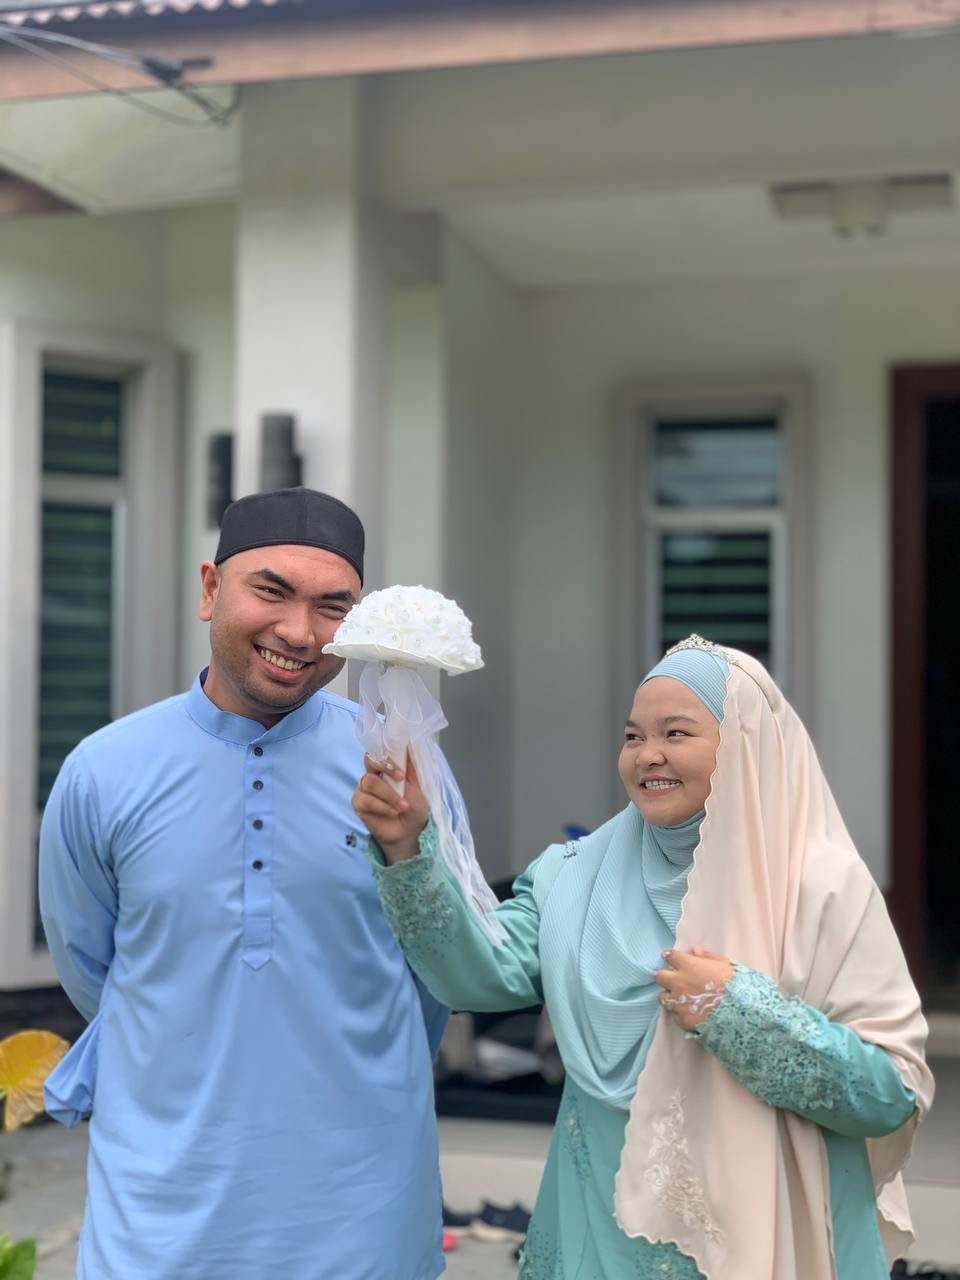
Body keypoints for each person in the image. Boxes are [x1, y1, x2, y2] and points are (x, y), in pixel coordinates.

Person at [353, 636, 934, 1280]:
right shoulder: (574, 876)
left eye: (675, 733)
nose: (647, 755)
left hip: (761, 1242)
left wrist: (737, 1011)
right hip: (596, 1233)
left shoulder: (819, 889)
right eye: (633, 736)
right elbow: (476, 975)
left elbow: (889, 1094)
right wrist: (408, 850)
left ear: (743, 744)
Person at [39, 487, 448, 1280]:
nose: (299, 631)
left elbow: (440, 963)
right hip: (160, 1216)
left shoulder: (401, 769)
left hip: (362, 1211)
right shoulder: (104, 771)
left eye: (333, 606)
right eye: (271, 591)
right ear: (209, 589)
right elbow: (95, 969)